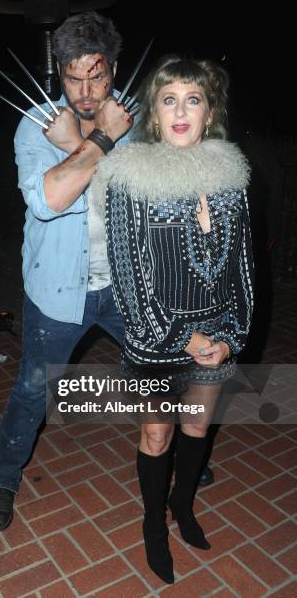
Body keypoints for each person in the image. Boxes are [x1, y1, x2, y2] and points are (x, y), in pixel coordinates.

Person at [90, 54, 254, 584]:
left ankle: (183, 506)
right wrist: (186, 337)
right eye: (169, 100)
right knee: (157, 435)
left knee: (198, 426)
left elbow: (246, 271)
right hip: (156, 337)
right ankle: (152, 523)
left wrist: (231, 335)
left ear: (209, 113)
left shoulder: (232, 178)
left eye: (193, 99)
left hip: (216, 340)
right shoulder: (129, 178)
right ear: (154, 116)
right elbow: (131, 279)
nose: (181, 111)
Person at [0, 11, 133, 531]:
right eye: (74, 76)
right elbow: (49, 199)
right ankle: (2, 477)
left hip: (122, 284)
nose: (86, 90)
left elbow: (133, 197)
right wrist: (91, 143)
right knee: (32, 389)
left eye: (97, 74)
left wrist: (81, 149)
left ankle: (169, 451)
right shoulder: (36, 124)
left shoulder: (131, 122)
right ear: (59, 72)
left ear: (114, 68)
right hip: (58, 289)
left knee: (156, 369)